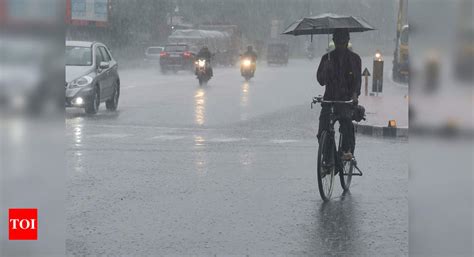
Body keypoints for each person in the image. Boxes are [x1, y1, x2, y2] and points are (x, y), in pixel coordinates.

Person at [316, 29, 361, 161]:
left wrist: (354, 95)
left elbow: (357, 81)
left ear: (347, 41)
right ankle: (329, 157)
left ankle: (346, 151)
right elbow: (320, 80)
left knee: (347, 125)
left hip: (345, 100)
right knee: (323, 130)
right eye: (338, 41)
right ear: (334, 41)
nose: (340, 45)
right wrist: (326, 68)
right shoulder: (326, 58)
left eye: (343, 41)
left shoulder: (355, 59)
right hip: (329, 100)